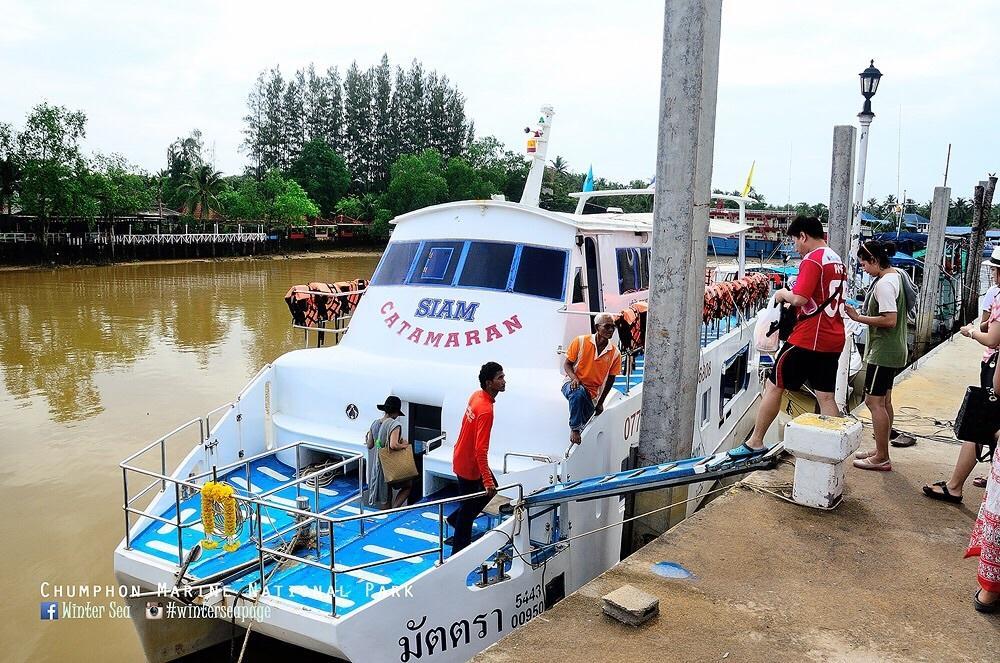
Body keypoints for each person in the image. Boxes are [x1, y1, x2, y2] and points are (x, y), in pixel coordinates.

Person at [730, 216, 846, 458]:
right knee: (826, 396)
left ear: (803, 235)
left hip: (807, 339)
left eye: (795, 240)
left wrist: (783, 292)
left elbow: (800, 298)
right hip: (833, 337)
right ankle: (835, 449)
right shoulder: (837, 260)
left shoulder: (813, 260)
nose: (795, 246)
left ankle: (755, 442)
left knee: (773, 386)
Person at [924, 250, 1000, 502]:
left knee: (978, 424)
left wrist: (970, 333)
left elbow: (991, 336)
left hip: (992, 366)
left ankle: (955, 485)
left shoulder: (998, 296)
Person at [845, 241, 908, 471]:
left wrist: (857, 317)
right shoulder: (896, 276)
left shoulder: (884, 284)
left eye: (863, 264)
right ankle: (881, 449)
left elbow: (889, 320)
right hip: (893, 349)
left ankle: (881, 456)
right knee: (885, 401)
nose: (863, 268)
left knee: (873, 402)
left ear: (874, 260)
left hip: (883, 350)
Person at [448, 362, 505, 554]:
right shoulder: (486, 410)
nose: (504, 381)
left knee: (473, 502)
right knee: (469, 508)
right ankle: (459, 552)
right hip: (469, 465)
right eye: (500, 378)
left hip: (461, 456)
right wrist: (487, 481)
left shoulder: (476, 395)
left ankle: (455, 520)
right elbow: (481, 449)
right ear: (490, 383)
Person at [562, 313, 622, 445]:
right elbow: (567, 364)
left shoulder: (615, 353)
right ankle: (575, 429)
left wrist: (601, 402)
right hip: (572, 384)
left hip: (592, 394)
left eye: (613, 327)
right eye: (607, 327)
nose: (611, 330)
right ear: (597, 327)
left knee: (588, 415)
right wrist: (574, 378)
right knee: (577, 393)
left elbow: (611, 380)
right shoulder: (580, 341)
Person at [364, 395, 411, 509]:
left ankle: (387, 517)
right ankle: (395, 509)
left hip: (378, 466)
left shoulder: (375, 424)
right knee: (408, 486)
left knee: (385, 498)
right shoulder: (394, 425)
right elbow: (393, 445)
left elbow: (370, 445)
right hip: (391, 465)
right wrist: (404, 445)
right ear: (395, 412)